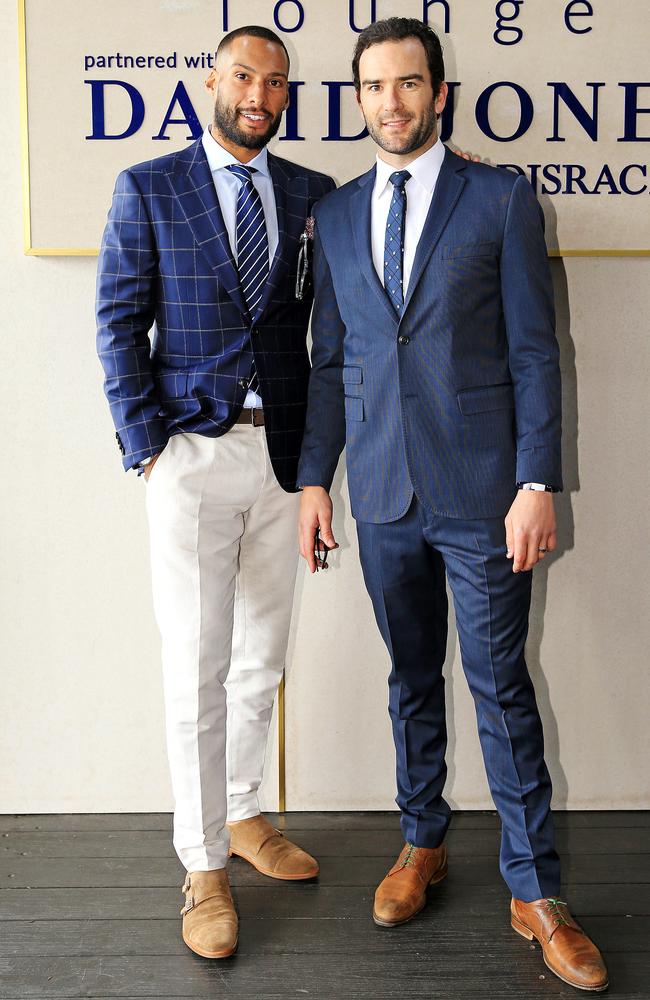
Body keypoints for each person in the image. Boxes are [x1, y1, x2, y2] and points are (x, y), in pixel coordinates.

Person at [297, 17, 608, 993]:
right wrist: (315, 478)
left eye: (407, 83)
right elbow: (331, 361)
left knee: (498, 687)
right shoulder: (338, 217)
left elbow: (531, 350)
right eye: (372, 86)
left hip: (483, 496)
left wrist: (532, 481)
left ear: (439, 92)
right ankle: (420, 841)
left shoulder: (499, 200)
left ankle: (534, 891)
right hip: (381, 492)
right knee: (409, 678)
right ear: (357, 100)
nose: (390, 101)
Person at [96, 25, 336, 960]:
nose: (260, 94)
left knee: (261, 658)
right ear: (213, 80)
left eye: (275, 82)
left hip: (282, 461)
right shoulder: (150, 187)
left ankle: (242, 815)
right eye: (245, 75)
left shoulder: (314, 196)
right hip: (190, 455)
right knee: (195, 667)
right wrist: (147, 447)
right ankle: (202, 865)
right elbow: (118, 322)